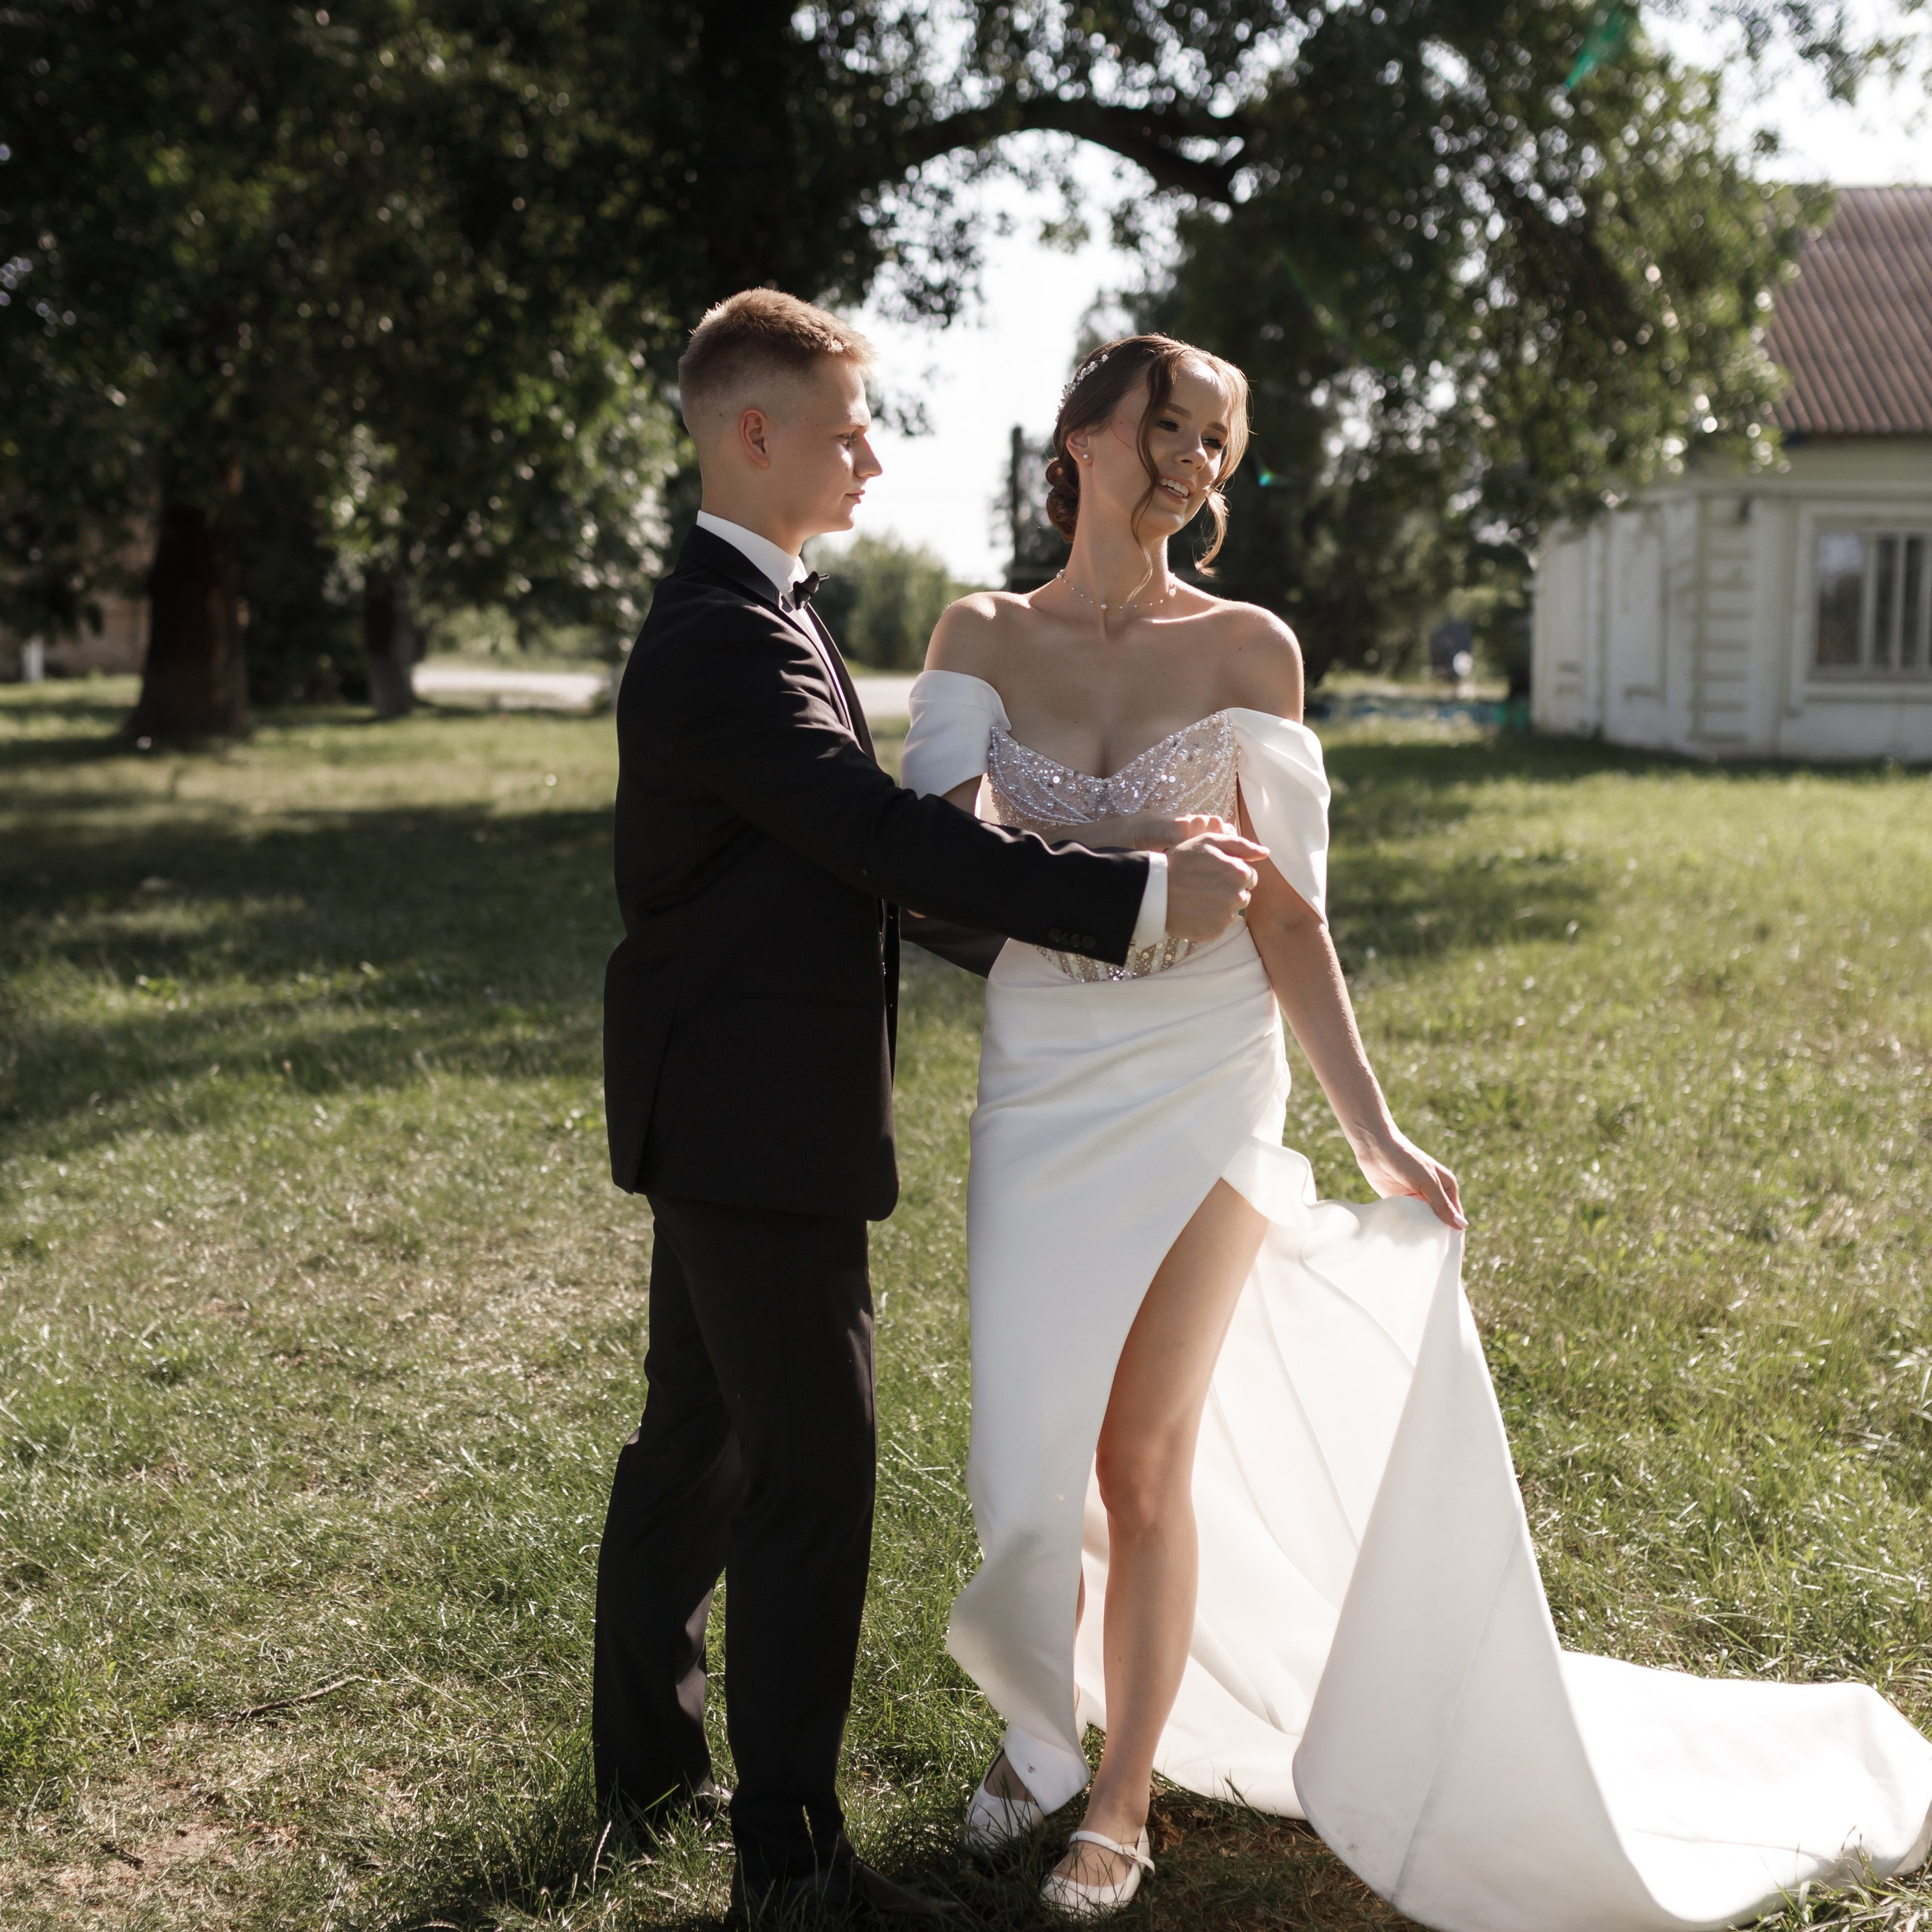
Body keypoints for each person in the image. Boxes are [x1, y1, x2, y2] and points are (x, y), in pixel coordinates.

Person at [900, 333, 1932, 1926]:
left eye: (1219, 444)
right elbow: (939, 853)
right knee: (1026, 1476)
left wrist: (1367, 1127)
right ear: (1081, 434)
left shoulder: (1249, 647)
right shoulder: (974, 628)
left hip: (1201, 1076)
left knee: (1138, 1454)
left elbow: (1291, 911)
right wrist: (1083, 854)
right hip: (1038, 1083)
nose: (1195, 461)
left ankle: (1116, 1797)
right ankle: (1039, 1727)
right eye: (1168, 426)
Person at [595, 291, 1264, 1928]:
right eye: (843, 429)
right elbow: (875, 837)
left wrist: (1054, 945)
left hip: (728, 1099)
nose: (870, 453)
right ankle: (793, 1861)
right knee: (807, 1473)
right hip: (760, 1115)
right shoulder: (720, 635)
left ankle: (647, 1773)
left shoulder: (755, 606)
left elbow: (886, 862)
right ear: (754, 433)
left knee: (695, 1439)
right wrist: (1124, 903)